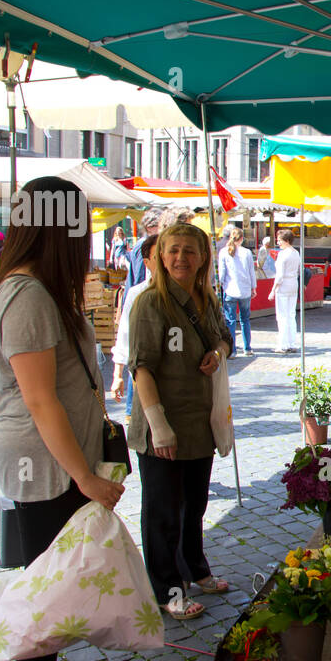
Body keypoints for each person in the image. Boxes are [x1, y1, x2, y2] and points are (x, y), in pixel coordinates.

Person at [0, 176, 119, 661]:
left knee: (55, 577)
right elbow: (40, 401)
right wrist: (85, 477)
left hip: (55, 461)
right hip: (43, 464)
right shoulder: (27, 296)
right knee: (42, 586)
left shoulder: (38, 289)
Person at [127, 221, 233, 621]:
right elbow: (141, 368)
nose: (180, 258)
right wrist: (158, 424)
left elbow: (226, 337)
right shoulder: (150, 303)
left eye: (190, 250)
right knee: (164, 513)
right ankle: (168, 590)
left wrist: (218, 354)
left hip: (198, 424)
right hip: (164, 427)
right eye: (173, 250)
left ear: (204, 257)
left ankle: (195, 568)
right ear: (158, 255)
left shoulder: (206, 298)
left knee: (195, 506)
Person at [111, 235, 158, 419]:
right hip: (144, 382)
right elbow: (124, 334)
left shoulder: (187, 292)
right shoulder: (136, 293)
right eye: (157, 257)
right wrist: (117, 375)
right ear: (146, 263)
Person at [217, 227, 257, 356]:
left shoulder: (224, 252)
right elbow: (252, 272)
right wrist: (253, 287)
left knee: (230, 321)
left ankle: (232, 350)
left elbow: (221, 273)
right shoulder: (247, 253)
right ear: (241, 239)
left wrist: (220, 286)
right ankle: (247, 347)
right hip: (245, 290)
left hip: (230, 290)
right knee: (245, 320)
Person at [273, 229, 303, 351]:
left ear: (286, 241)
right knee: (291, 315)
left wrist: (273, 289)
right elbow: (300, 269)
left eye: (279, 240)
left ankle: (283, 344)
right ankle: (292, 342)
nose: (278, 242)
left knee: (282, 316)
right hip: (293, 284)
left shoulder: (283, 254)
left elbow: (279, 276)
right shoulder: (296, 253)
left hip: (284, 285)